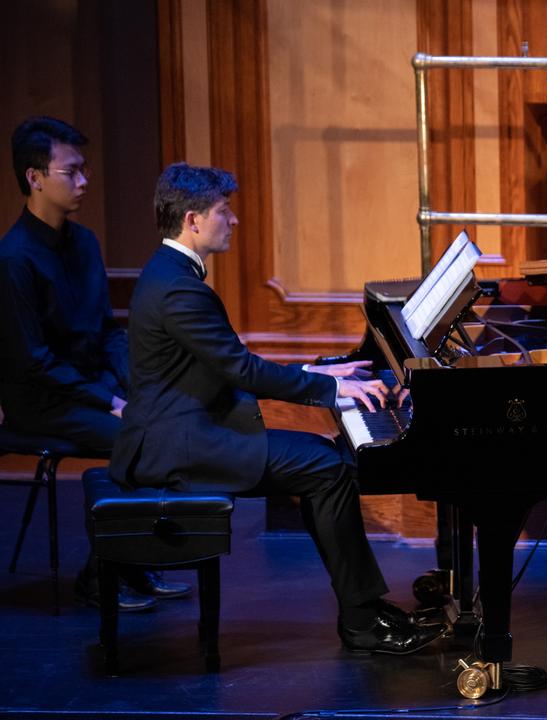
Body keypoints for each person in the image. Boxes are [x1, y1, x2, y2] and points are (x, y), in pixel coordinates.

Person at [110, 162, 435, 654]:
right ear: (193, 220)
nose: (234, 220)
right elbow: (241, 370)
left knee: (328, 464)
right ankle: (363, 620)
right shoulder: (179, 288)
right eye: (225, 211)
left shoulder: (171, 274)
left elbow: (230, 363)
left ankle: (363, 610)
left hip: (186, 430)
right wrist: (327, 391)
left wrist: (319, 372)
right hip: (180, 445)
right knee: (328, 468)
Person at [0, 116, 188, 611]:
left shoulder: (83, 243)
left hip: (90, 385)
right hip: (41, 401)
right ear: (34, 177)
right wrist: (112, 402)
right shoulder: (14, 259)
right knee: (140, 439)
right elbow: (34, 362)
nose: (84, 182)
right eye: (72, 172)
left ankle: (130, 563)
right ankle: (105, 573)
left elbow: (106, 330)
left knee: (165, 421)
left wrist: (136, 388)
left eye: (84, 171)